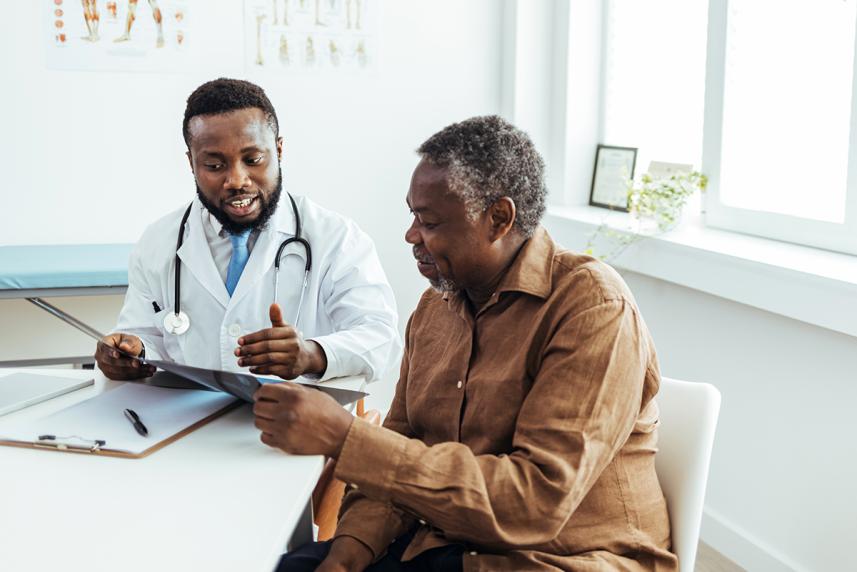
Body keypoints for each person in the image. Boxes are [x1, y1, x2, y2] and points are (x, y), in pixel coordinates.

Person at [266, 116, 678, 571]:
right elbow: (402, 449)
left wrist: (347, 439)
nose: (411, 235)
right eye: (412, 215)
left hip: (562, 558)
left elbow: (535, 503)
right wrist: (348, 554)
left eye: (429, 221)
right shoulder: (434, 309)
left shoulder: (592, 307)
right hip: (448, 544)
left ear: (499, 218)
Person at [95, 78, 401, 386]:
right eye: (215, 166)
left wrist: (311, 354)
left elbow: (381, 338)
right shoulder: (158, 242)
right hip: (193, 423)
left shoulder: (336, 238)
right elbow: (146, 335)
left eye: (253, 160)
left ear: (279, 150)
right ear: (192, 163)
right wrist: (130, 352)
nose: (237, 180)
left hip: (301, 425)